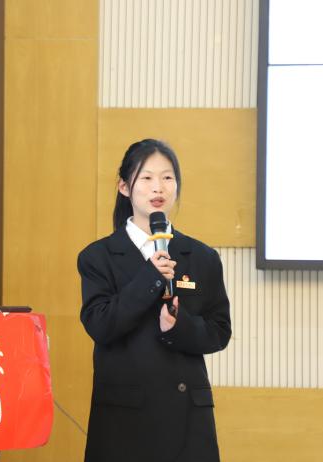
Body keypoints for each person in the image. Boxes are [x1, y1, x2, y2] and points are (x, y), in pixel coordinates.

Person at [77, 138, 232, 462]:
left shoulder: (202, 257)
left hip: (187, 419)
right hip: (126, 419)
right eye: (146, 178)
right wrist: (150, 277)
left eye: (167, 177)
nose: (158, 187)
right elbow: (100, 325)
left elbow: (219, 331)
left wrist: (179, 327)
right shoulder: (98, 256)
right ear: (124, 186)